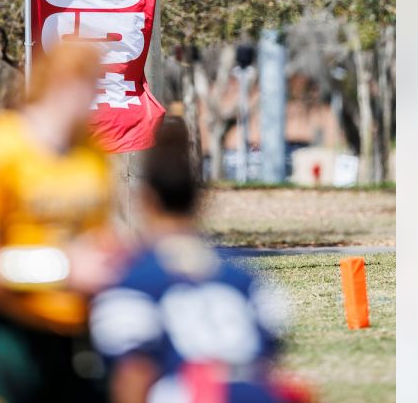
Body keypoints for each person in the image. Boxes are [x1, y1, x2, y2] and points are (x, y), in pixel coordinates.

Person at [0, 43, 120, 403]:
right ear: (59, 81)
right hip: (9, 337)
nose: (93, 100)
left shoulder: (93, 152)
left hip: (76, 338)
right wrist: (63, 270)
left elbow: (97, 238)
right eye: (88, 85)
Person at [89, 118, 298, 403]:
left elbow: (134, 373)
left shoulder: (134, 282)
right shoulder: (246, 277)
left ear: (146, 201)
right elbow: (269, 360)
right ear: (200, 201)